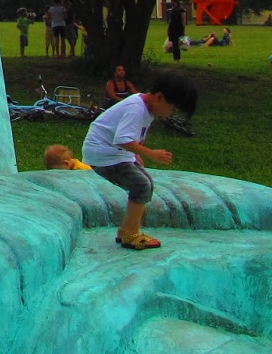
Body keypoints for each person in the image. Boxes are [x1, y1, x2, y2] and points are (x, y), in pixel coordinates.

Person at [82, 69, 197, 251]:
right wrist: (151, 153)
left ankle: (126, 230)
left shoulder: (147, 108)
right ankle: (130, 233)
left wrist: (135, 155)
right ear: (159, 97)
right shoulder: (136, 108)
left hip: (115, 152)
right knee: (141, 185)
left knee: (147, 182)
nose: (171, 113)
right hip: (103, 154)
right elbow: (122, 139)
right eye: (172, 108)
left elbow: (130, 136)